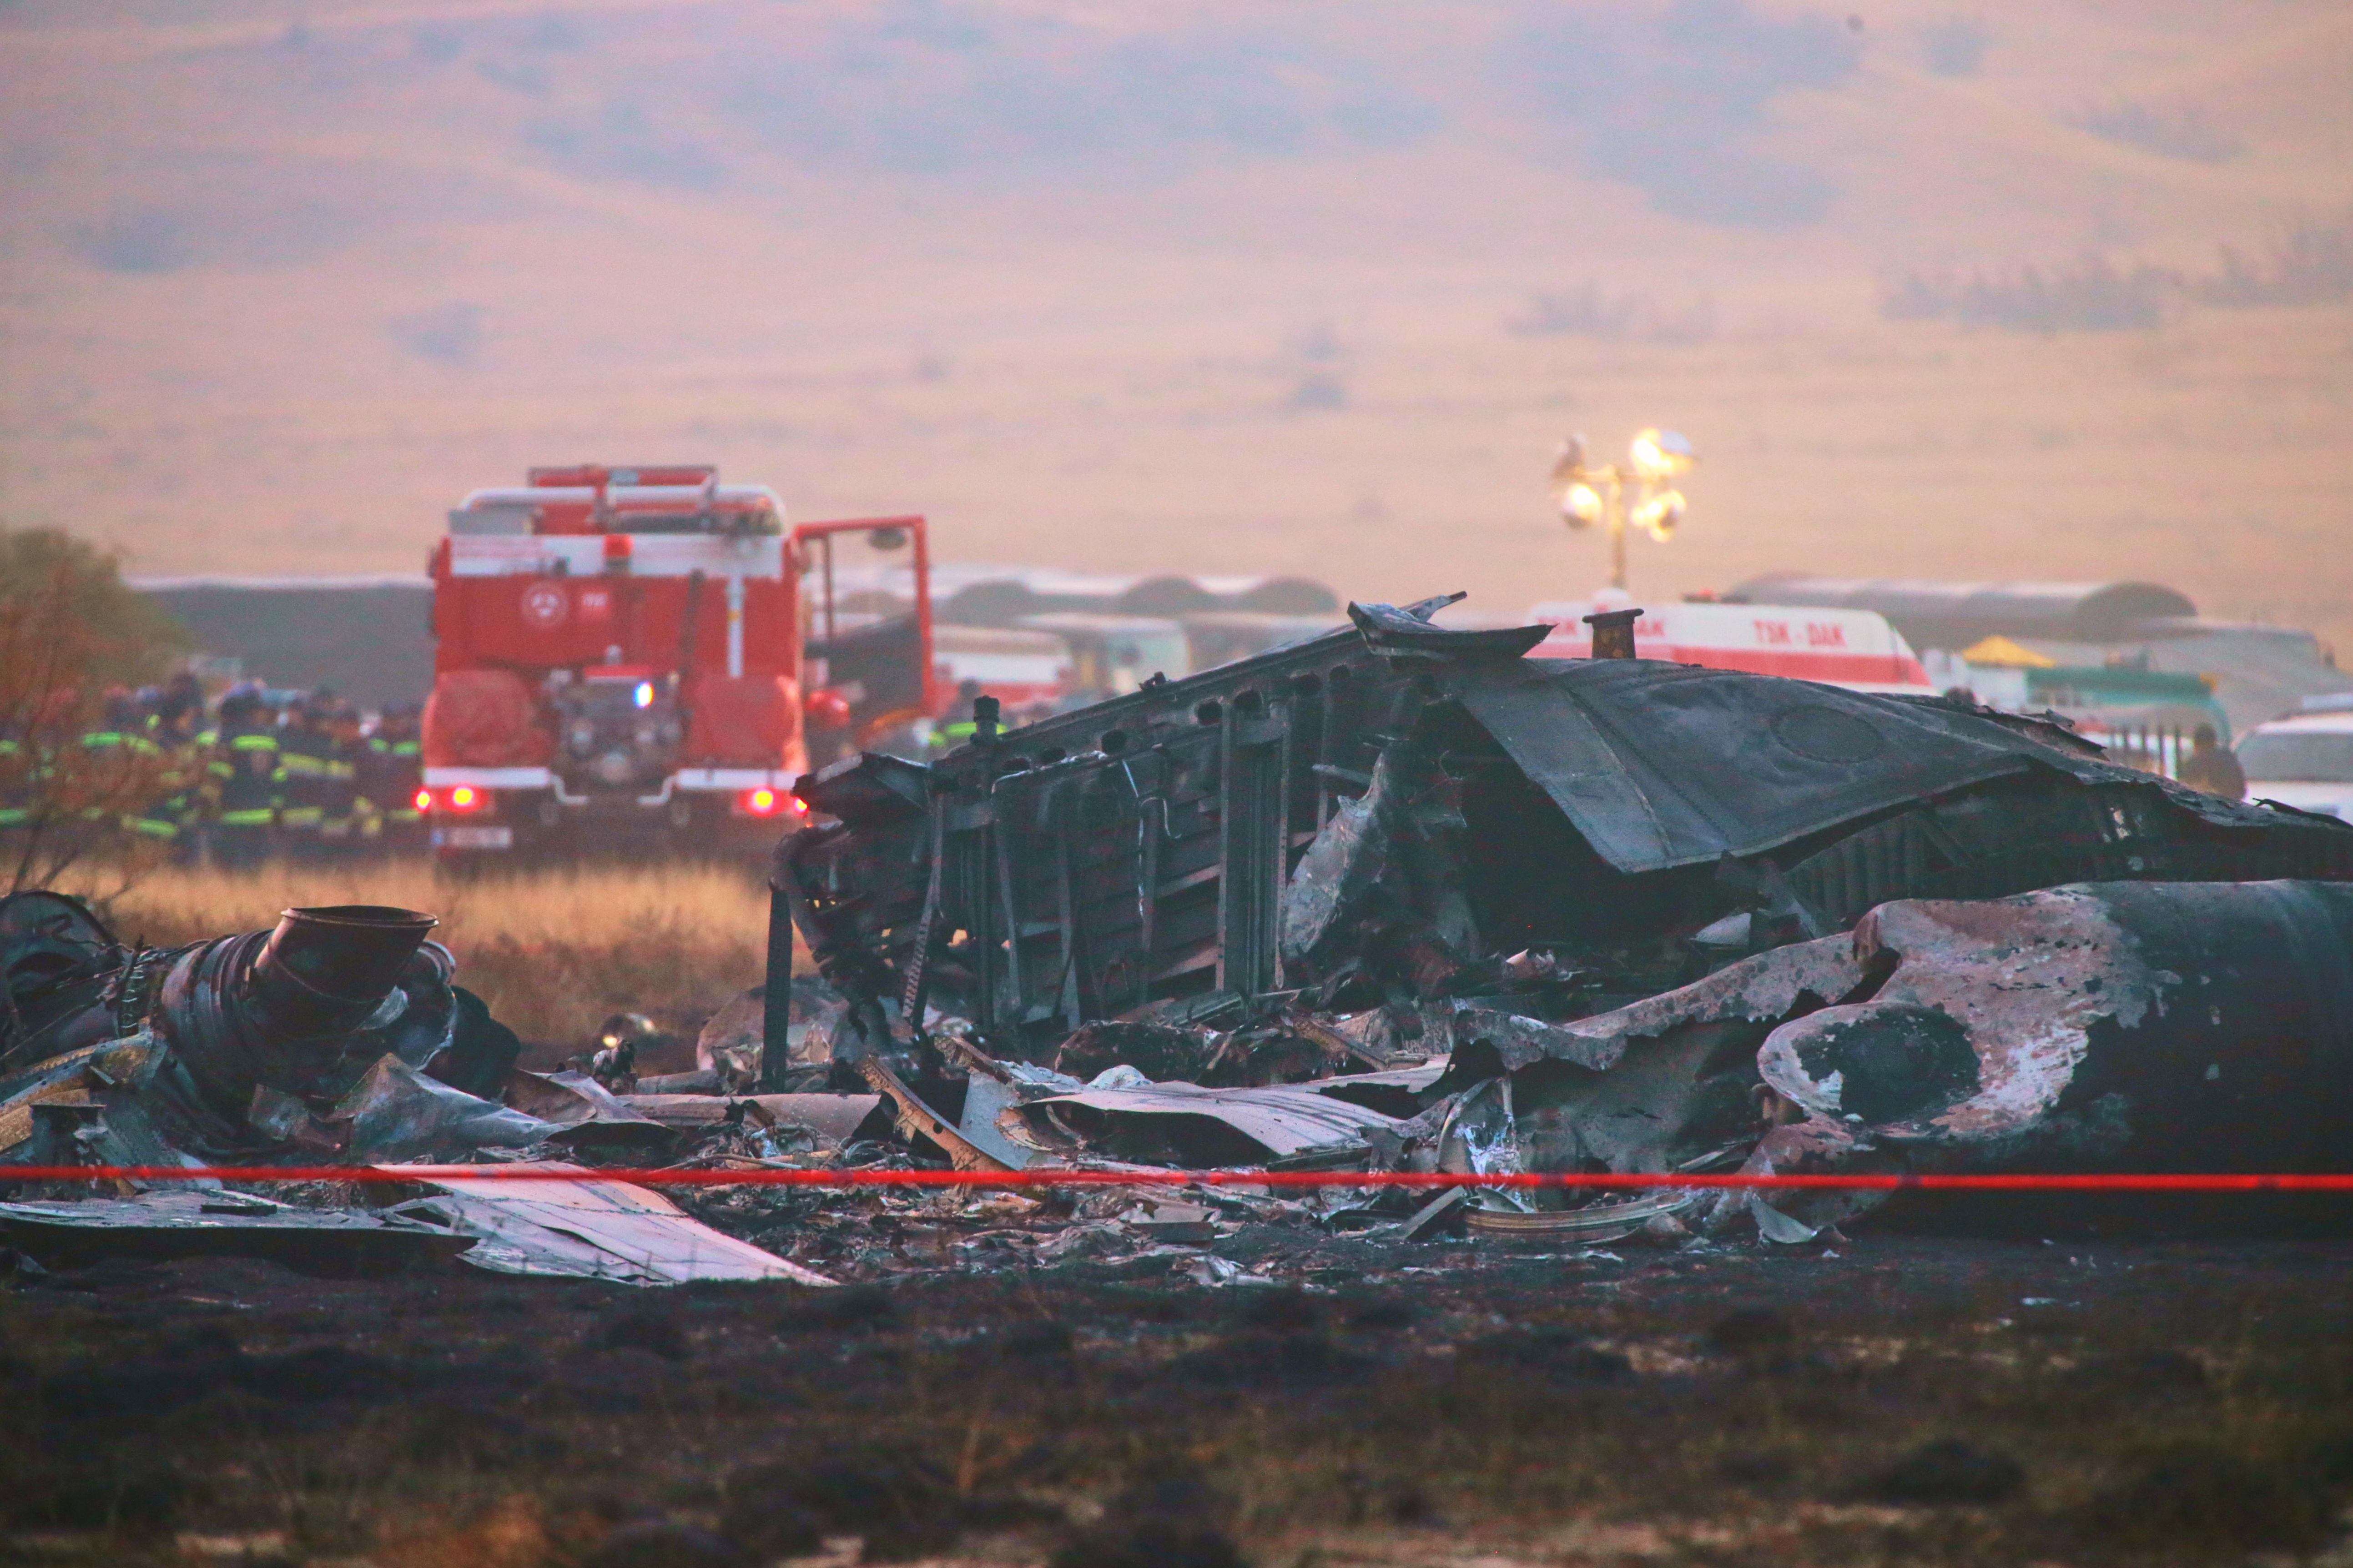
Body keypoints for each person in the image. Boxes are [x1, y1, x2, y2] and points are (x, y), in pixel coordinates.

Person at [208, 684, 282, 868]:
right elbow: (279, 777)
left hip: (233, 816)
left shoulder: (229, 736)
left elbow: (219, 774)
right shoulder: (269, 738)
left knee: (233, 872)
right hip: (262, 815)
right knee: (255, 871)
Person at [364, 701, 426, 854]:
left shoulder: (417, 740)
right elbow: (366, 771)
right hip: (380, 808)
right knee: (380, 851)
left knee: (411, 851)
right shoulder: (373, 740)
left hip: (410, 808)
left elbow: (424, 771)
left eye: (399, 720)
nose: (396, 725)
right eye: (391, 721)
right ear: (383, 721)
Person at [2177, 723, 2246, 800]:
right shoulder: (2229, 759)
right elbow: (2241, 791)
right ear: (2214, 742)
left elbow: (2186, 793)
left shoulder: (2194, 764)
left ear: (2196, 745)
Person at [927, 680, 986, 755]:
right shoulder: (993, 719)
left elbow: (934, 749)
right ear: (979, 695)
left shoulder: (947, 718)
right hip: (986, 765)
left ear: (960, 695)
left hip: (955, 764)